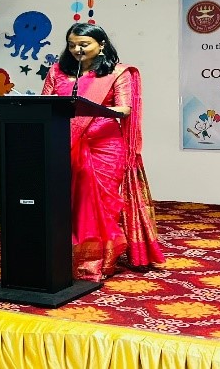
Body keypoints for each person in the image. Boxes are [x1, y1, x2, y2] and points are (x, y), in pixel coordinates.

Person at [41, 22, 165, 282]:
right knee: (68, 202)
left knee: (102, 204)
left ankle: (98, 262)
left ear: (101, 45)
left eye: (84, 44)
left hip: (104, 145)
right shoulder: (57, 71)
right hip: (64, 142)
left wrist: (90, 109)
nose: (77, 49)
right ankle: (65, 257)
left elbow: (124, 109)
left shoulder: (117, 73)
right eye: (72, 45)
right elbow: (45, 102)